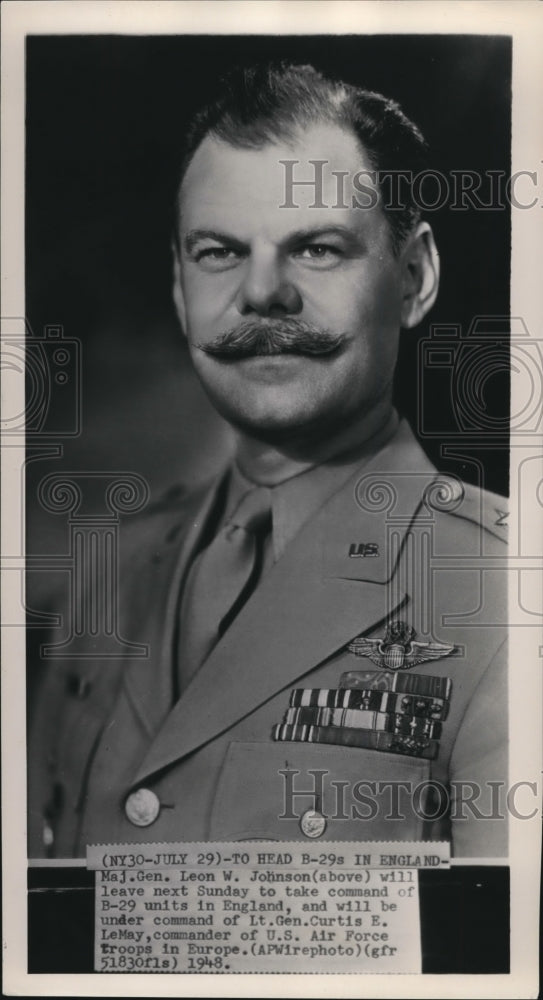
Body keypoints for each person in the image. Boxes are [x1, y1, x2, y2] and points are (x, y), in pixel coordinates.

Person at [28, 63, 508, 859]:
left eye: (316, 249)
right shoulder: (105, 571)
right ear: (181, 293)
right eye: (217, 252)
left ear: (415, 278)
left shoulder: (509, 588)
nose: (260, 293)